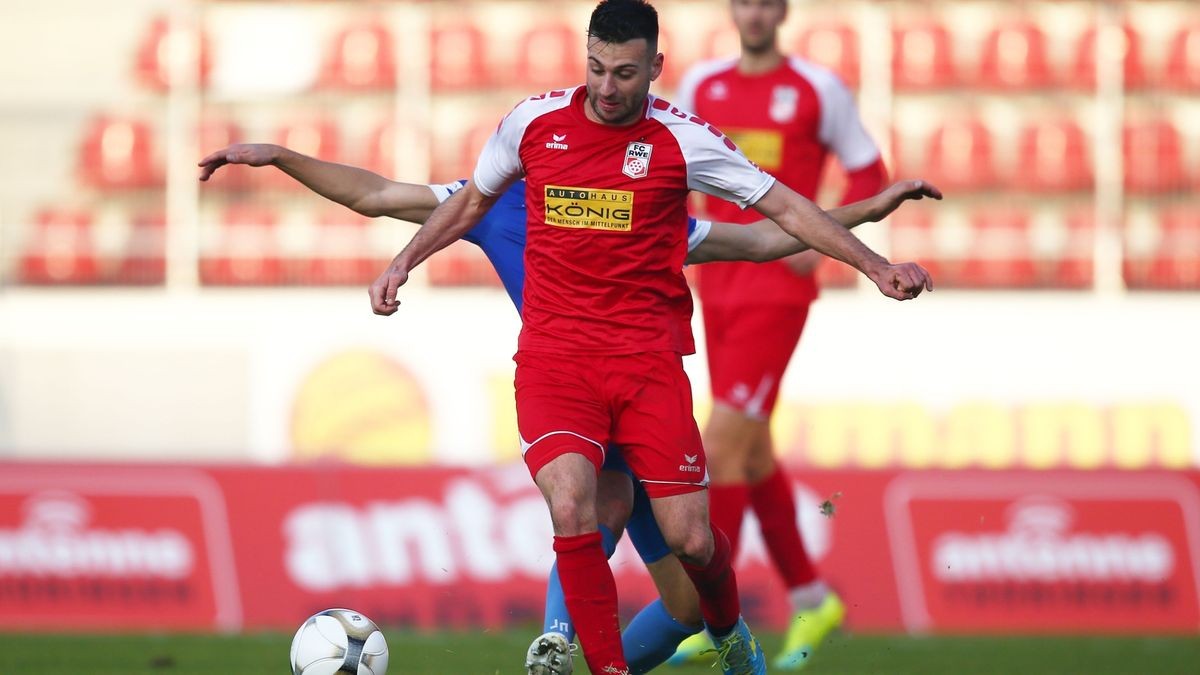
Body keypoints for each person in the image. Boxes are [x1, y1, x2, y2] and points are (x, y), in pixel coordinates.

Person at [198, 140, 939, 674]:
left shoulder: (626, 215)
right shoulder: (489, 202)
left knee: (685, 595)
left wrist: (871, 209)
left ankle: (688, 639)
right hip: (572, 387)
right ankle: (557, 641)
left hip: (642, 386)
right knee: (586, 503)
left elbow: (764, 236)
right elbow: (376, 194)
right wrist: (283, 158)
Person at [367, 1, 931, 672]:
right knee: (574, 503)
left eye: (626, 73)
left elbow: (777, 210)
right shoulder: (532, 123)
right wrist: (404, 260)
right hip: (556, 361)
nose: (608, 88)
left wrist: (873, 263)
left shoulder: (683, 140)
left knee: (692, 537)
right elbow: (467, 202)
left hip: (646, 365)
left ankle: (730, 632)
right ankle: (594, 659)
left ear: (656, 68)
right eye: (597, 69)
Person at [671, 0, 888, 668]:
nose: (755, 12)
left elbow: (869, 172)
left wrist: (817, 242)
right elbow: (673, 172)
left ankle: (715, 619)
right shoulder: (700, 85)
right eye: (744, 1)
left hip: (777, 292)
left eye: (767, 1)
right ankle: (813, 595)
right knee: (752, 447)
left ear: (783, 11)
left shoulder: (818, 89)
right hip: (719, 281)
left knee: (724, 445)